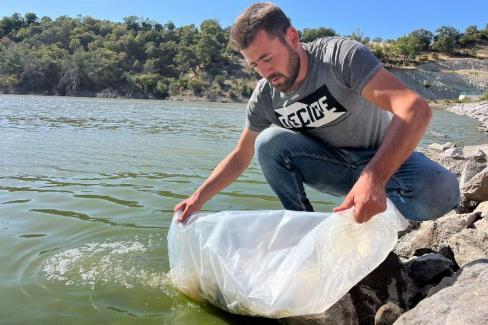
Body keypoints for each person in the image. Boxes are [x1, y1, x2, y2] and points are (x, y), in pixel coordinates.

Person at [174, 2, 460, 224]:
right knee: (269, 142)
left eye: (267, 58)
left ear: (293, 37)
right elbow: (241, 156)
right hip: (330, 166)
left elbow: (414, 108)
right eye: (254, 65)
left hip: (381, 161)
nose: (264, 72)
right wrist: (198, 198)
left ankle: (384, 216)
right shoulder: (265, 96)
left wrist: (374, 178)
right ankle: (304, 225)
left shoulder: (340, 57)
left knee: (443, 191)